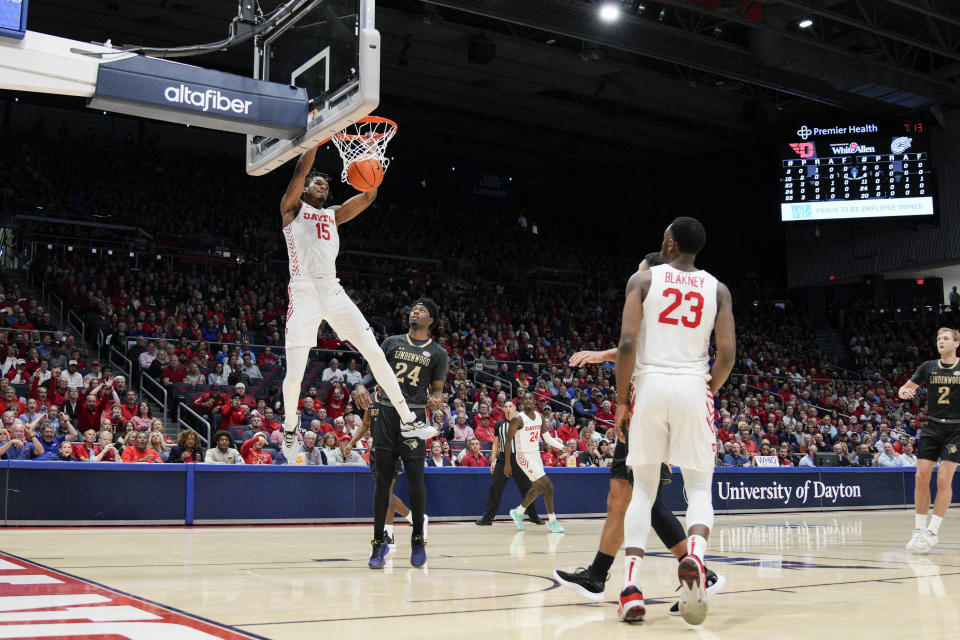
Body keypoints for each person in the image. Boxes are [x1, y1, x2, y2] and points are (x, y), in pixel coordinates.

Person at [553, 254, 724, 617]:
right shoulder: (704, 291)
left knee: (643, 496)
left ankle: (671, 575)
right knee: (625, 495)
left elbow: (635, 348)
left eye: (643, 268)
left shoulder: (651, 289)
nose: (640, 273)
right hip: (666, 399)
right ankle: (604, 575)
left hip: (644, 404)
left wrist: (609, 373)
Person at [613, 217, 735, 625]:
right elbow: (728, 355)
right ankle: (696, 559)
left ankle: (631, 589)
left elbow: (628, 343)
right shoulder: (718, 289)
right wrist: (708, 390)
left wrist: (620, 402)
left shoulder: (642, 281)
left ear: (667, 243)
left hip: (649, 386)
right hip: (691, 384)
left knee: (644, 491)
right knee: (699, 486)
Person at [277, 146, 433, 458]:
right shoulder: (291, 210)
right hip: (304, 290)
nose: (324, 187)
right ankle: (291, 424)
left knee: (375, 352)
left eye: (327, 185)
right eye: (318, 183)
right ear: (306, 189)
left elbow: (367, 197)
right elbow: (299, 171)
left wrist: (371, 168)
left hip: (332, 289)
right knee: (295, 371)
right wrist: (316, 140)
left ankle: (409, 420)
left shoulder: (332, 216)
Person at [363, 300, 447, 570]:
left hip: (413, 416)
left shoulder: (437, 353)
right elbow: (372, 373)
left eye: (421, 311)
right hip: (386, 414)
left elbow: (436, 390)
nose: (415, 312)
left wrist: (435, 400)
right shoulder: (391, 342)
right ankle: (379, 543)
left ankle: (418, 539)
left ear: (430, 319)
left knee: (415, 483)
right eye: (413, 309)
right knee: (382, 485)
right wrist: (359, 385)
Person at [900, 327, 960, 553]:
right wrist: (903, 392)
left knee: (944, 478)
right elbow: (905, 388)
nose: (941, 342)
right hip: (932, 426)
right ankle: (918, 530)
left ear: (956, 344)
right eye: (938, 339)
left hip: (956, 428)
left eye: (946, 338)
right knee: (920, 477)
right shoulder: (928, 367)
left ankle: (933, 532)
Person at [504, 392, 566, 533]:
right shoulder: (517, 418)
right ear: (522, 402)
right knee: (548, 486)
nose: (527, 401)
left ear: (535, 402)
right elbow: (508, 440)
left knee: (538, 488)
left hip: (535, 455)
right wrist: (508, 463)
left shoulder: (540, 417)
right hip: (523, 456)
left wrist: (563, 447)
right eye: (525, 399)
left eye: (530, 399)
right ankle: (552, 521)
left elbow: (547, 438)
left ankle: (518, 512)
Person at [476, 400, 542, 526]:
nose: (507, 408)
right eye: (505, 406)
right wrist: (493, 460)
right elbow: (495, 443)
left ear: (515, 408)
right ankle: (487, 518)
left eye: (510, 406)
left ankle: (533, 516)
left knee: (527, 489)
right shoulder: (499, 424)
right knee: (495, 488)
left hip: (519, 459)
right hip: (503, 460)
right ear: (503, 409)